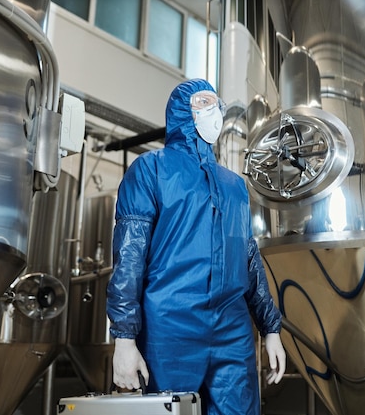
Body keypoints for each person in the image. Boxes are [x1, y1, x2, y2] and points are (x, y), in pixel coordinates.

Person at [106, 78, 286, 415]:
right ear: (180, 112)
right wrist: (124, 338)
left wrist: (270, 328)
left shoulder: (235, 186)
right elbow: (129, 256)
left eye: (215, 103)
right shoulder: (150, 170)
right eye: (202, 103)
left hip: (232, 329)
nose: (213, 110)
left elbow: (249, 260)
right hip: (170, 325)